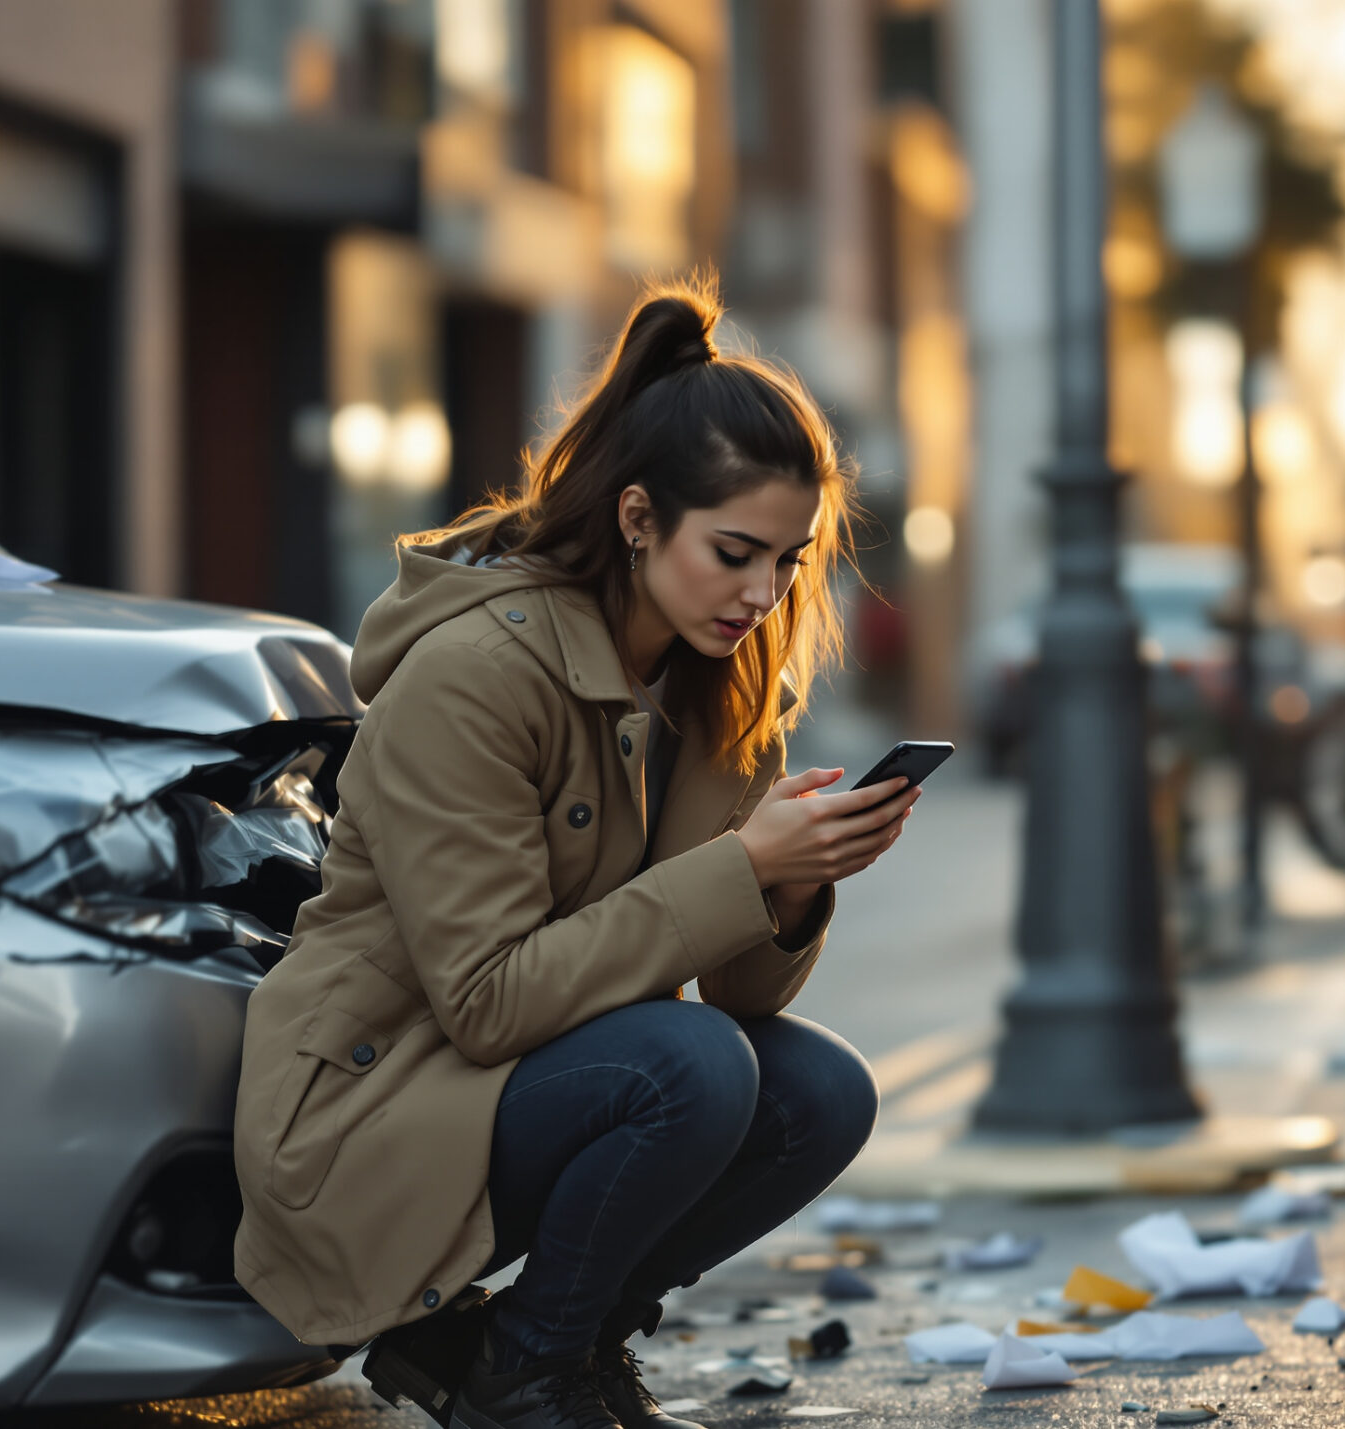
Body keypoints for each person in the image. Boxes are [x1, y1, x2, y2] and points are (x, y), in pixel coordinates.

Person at [231, 281, 914, 1429]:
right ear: (639, 518)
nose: (763, 594)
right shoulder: (475, 676)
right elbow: (489, 1001)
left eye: (790, 563)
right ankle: (528, 1377)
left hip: (498, 1090)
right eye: (735, 552)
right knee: (691, 1067)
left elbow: (739, 991)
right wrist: (741, 870)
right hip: (366, 1110)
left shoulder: (722, 686)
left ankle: (546, 1350)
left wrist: (793, 885)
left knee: (819, 1092)